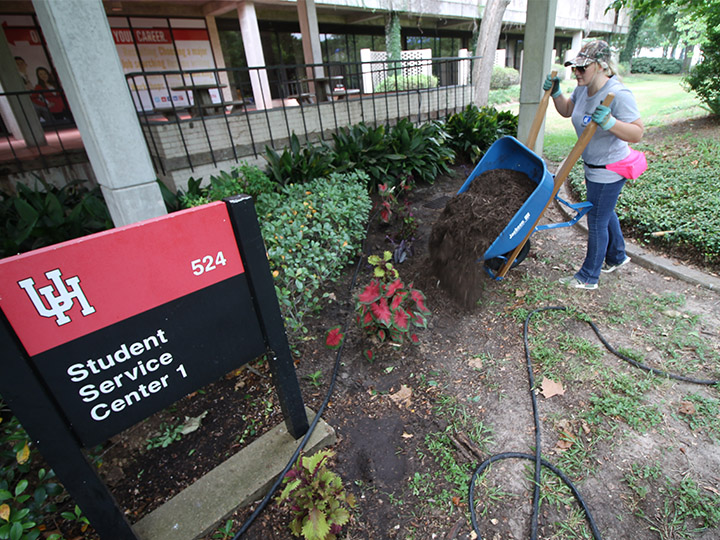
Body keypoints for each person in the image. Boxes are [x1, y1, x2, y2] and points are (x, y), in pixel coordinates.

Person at [543, 40, 644, 290]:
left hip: (609, 169)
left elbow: (637, 133)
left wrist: (610, 123)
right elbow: (568, 110)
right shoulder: (582, 89)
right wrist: (557, 93)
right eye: (574, 68)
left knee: (597, 220)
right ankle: (617, 256)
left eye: (582, 68)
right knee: (604, 212)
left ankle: (589, 276)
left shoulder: (618, 95)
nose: (576, 72)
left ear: (600, 65)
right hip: (593, 166)